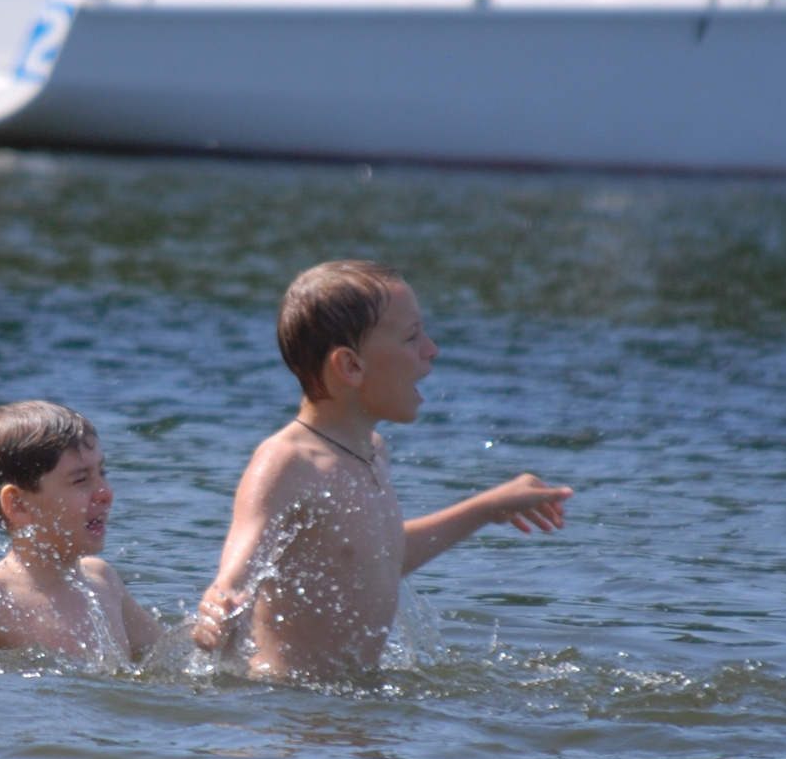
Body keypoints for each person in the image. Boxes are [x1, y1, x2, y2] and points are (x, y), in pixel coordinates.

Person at [193, 260, 571, 679]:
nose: (432, 349)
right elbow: (237, 571)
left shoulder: (372, 450)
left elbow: (380, 557)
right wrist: (219, 603)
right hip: (287, 715)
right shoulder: (287, 462)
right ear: (351, 366)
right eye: (412, 337)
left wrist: (488, 507)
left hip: (349, 708)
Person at [0, 400, 163, 665]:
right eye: (81, 480)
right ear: (18, 505)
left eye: (102, 472)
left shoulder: (103, 581)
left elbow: (172, 660)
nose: (106, 494)